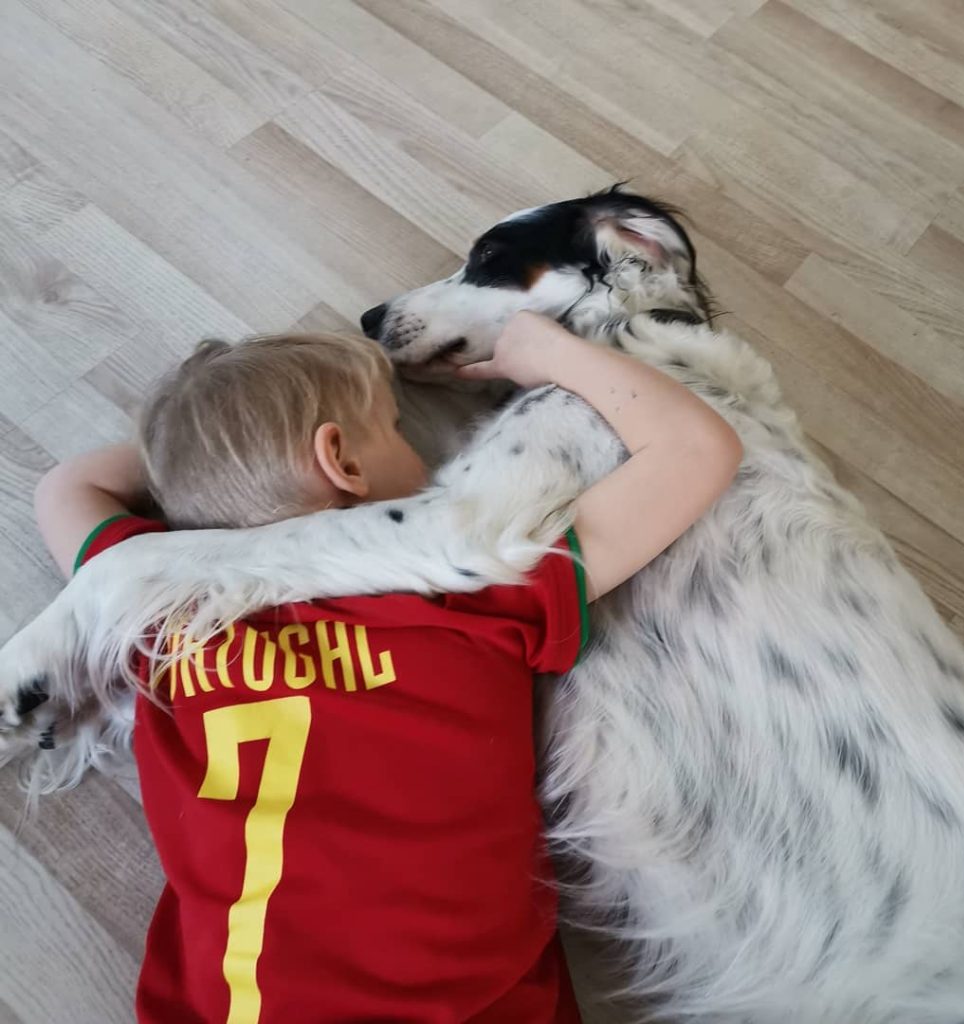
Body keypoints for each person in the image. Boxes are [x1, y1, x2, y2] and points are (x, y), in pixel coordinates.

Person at [34, 313, 742, 1024]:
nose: (421, 453)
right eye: (397, 428)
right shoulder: (459, 582)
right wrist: (552, 351)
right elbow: (695, 448)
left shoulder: (160, 617)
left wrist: (204, 453)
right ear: (342, 461)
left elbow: (67, 488)